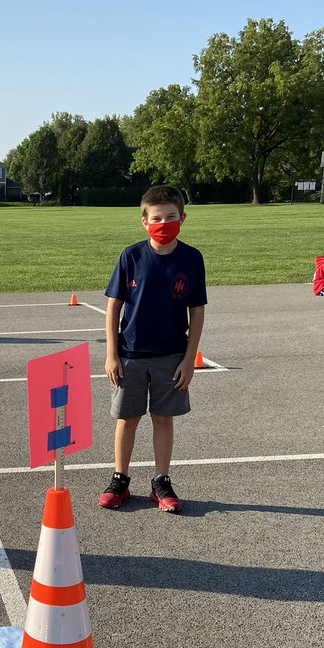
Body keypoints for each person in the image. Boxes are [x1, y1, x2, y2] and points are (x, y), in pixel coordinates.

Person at [99, 185, 207, 514]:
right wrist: (111, 353)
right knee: (127, 419)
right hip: (130, 354)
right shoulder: (131, 256)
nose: (164, 223)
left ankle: (161, 481)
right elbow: (113, 306)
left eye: (171, 217)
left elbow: (197, 311)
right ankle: (120, 479)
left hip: (171, 355)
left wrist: (189, 359)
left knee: (163, 419)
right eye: (157, 218)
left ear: (182, 218)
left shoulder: (191, 258)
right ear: (145, 221)